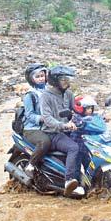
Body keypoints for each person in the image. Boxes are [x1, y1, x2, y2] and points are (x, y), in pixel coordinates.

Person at [40, 65, 85, 197]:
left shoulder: (69, 94)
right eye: (63, 80)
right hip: (52, 133)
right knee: (73, 148)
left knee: (85, 144)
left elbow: (77, 110)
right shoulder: (45, 96)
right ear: (55, 81)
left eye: (68, 79)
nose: (67, 82)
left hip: (67, 130)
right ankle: (69, 180)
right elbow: (47, 119)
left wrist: (94, 115)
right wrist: (64, 125)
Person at [21, 63, 50, 178]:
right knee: (45, 142)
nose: (41, 78)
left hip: (49, 125)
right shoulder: (30, 95)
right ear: (31, 79)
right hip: (32, 128)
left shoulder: (50, 90)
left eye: (42, 75)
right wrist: (41, 118)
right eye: (37, 77)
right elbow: (29, 115)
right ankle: (31, 165)